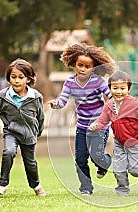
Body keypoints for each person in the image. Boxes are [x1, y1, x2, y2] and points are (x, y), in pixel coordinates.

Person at [0, 58, 46, 196]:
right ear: (9, 79)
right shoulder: (3, 96)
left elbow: (41, 116)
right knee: (9, 152)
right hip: (11, 132)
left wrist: (39, 131)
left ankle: (36, 186)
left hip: (29, 134)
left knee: (30, 163)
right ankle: (2, 184)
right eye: (13, 77)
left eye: (21, 77)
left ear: (28, 79)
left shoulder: (36, 97)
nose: (17, 81)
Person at [48, 43, 114, 195]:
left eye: (87, 66)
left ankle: (105, 162)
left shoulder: (98, 81)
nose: (83, 69)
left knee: (96, 156)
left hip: (99, 125)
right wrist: (55, 104)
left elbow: (111, 96)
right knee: (80, 159)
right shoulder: (70, 83)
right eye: (80, 65)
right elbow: (62, 100)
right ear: (74, 64)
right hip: (82, 127)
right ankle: (86, 187)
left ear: (94, 67)